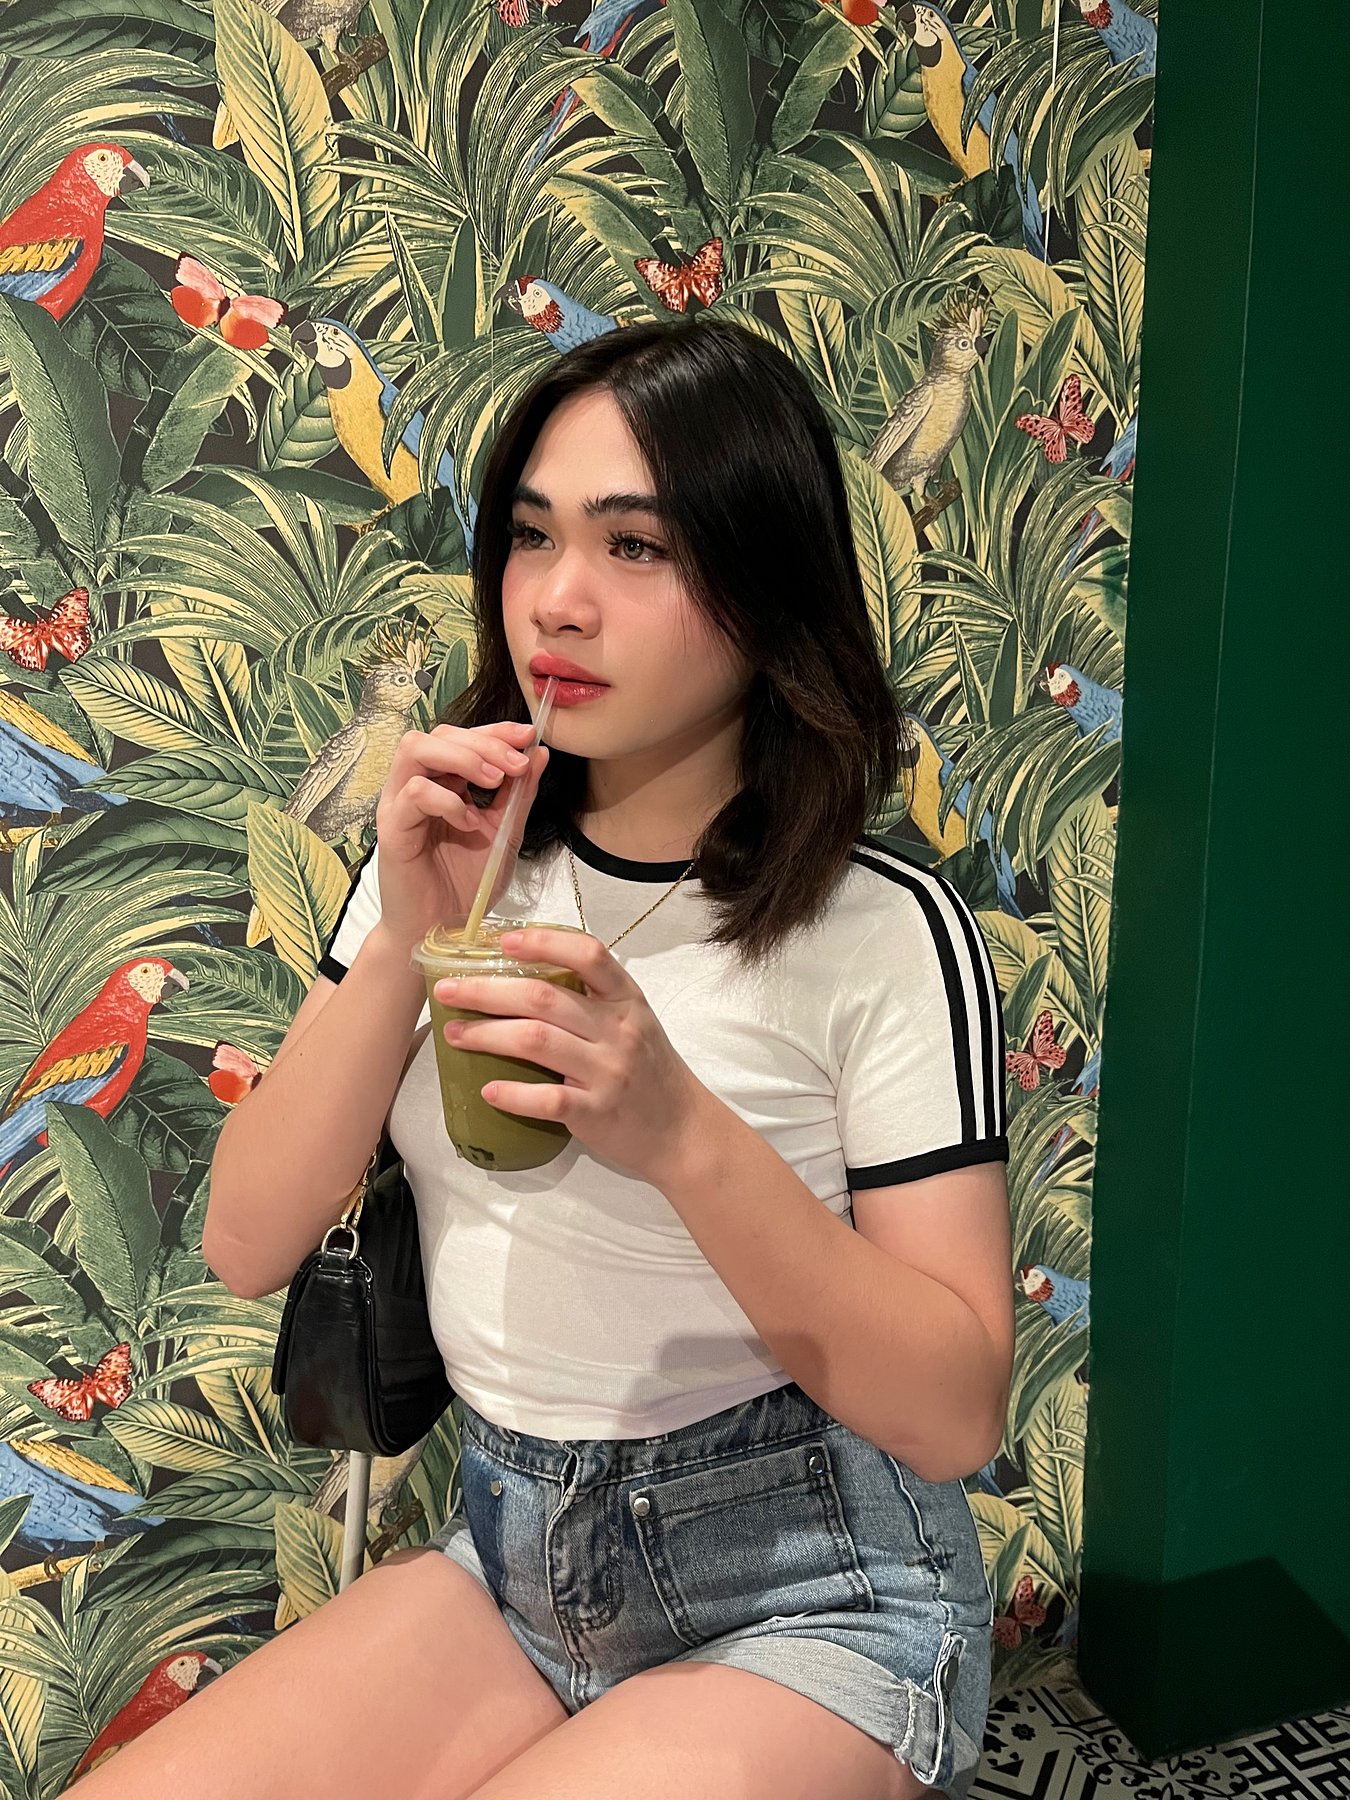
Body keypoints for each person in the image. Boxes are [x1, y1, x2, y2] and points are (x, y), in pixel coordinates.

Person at [78, 318, 1013, 1800]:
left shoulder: (880, 928)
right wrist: (408, 933)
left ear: (765, 581)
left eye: (635, 547)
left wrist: (680, 1131)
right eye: (531, 536)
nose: (557, 603)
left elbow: (955, 1411)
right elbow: (247, 1242)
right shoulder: (449, 852)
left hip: (818, 1582)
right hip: (516, 1553)